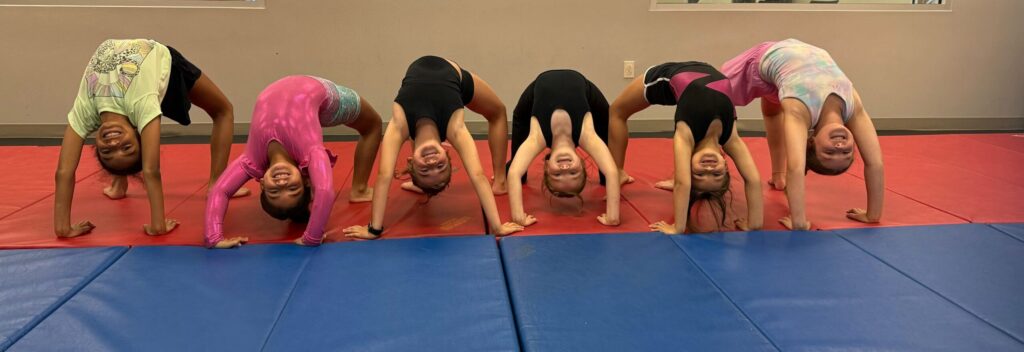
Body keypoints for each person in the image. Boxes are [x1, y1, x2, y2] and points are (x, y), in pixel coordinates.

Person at [55, 39, 239, 238]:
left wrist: (63, 228)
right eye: (127, 147)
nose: (114, 143)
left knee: (120, 136)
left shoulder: (85, 112)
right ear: (139, 133)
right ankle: (217, 185)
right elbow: (151, 170)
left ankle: (119, 184)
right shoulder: (143, 106)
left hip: (128, 77)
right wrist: (158, 225)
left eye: (106, 151)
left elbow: (64, 172)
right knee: (223, 110)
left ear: (97, 147)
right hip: (166, 66)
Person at [343, 56, 522, 239]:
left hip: (423, 78)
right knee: (498, 112)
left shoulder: (400, 125)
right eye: (440, 166)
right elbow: (477, 175)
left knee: (418, 138)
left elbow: (384, 175)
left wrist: (374, 229)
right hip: (456, 77)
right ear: (447, 153)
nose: (432, 162)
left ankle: (421, 183)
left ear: (411, 162)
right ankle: (500, 182)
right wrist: (497, 227)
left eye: (425, 170)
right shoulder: (455, 129)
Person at [722, 39, 883, 230]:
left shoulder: (800, 111)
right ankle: (778, 177)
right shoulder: (852, 106)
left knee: (718, 93)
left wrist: (798, 221)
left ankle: (778, 176)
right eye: (846, 153)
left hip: (763, 62)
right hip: (794, 56)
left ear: (811, 142)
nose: (839, 147)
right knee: (773, 104)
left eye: (830, 153)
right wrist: (873, 215)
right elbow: (875, 163)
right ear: (854, 145)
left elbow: (796, 167)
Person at [609, 61, 762, 233]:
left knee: (616, 111)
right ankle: (619, 172)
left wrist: (678, 228)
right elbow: (753, 180)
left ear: (689, 170)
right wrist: (754, 223)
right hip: (699, 72)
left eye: (700, 174)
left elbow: (683, 183)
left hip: (666, 79)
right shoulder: (730, 138)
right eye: (716, 174)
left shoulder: (686, 133)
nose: (709, 168)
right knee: (616, 112)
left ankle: (618, 172)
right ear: (726, 166)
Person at [506, 69, 620, 227]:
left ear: (546, 167)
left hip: (538, 86)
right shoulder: (587, 136)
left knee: (519, 121)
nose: (565, 167)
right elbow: (612, 172)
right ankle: (605, 180)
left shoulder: (537, 138)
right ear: (582, 163)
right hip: (582, 84)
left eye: (557, 174)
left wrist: (518, 217)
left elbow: (513, 173)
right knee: (608, 118)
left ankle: (519, 173)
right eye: (573, 173)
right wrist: (612, 217)